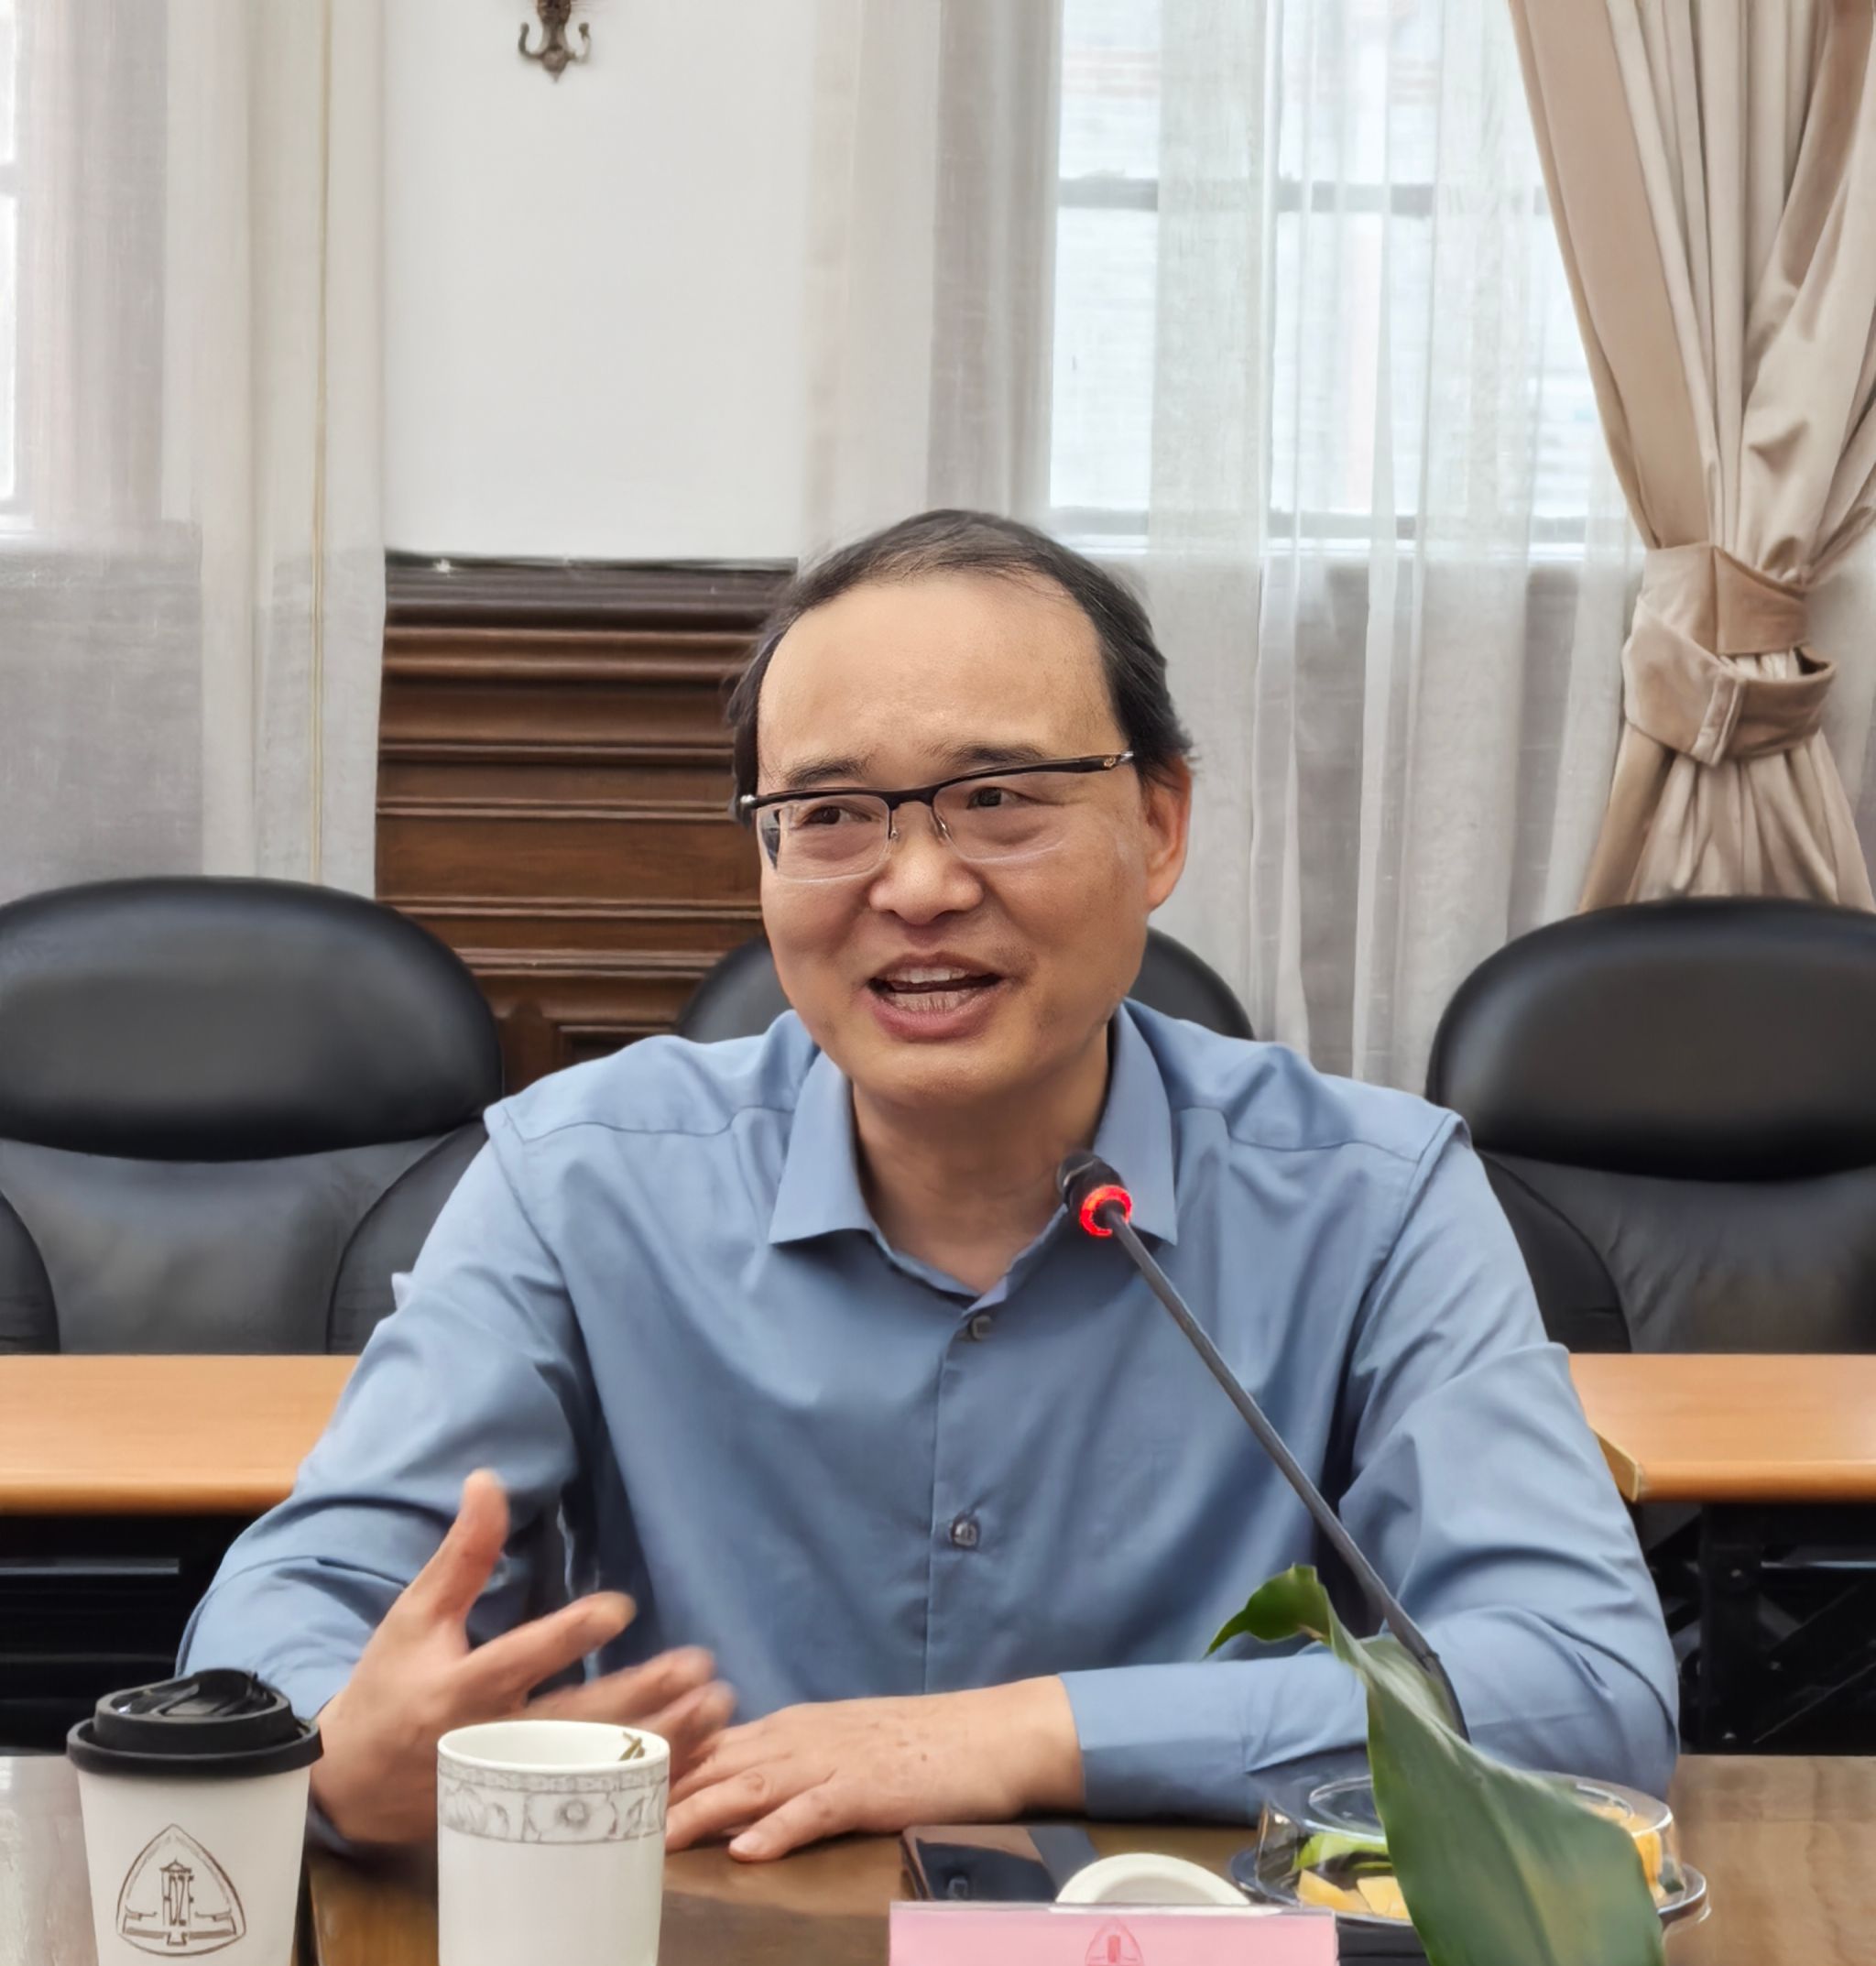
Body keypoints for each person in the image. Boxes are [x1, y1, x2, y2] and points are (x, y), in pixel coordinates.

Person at [181, 508, 1677, 1855]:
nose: (915, 886)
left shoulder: (1375, 1199)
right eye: (831, 816)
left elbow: (1586, 1687)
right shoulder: (578, 1183)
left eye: (1000, 797)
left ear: (1159, 824)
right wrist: (335, 1751)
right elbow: (281, 1618)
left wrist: (1017, 1736)